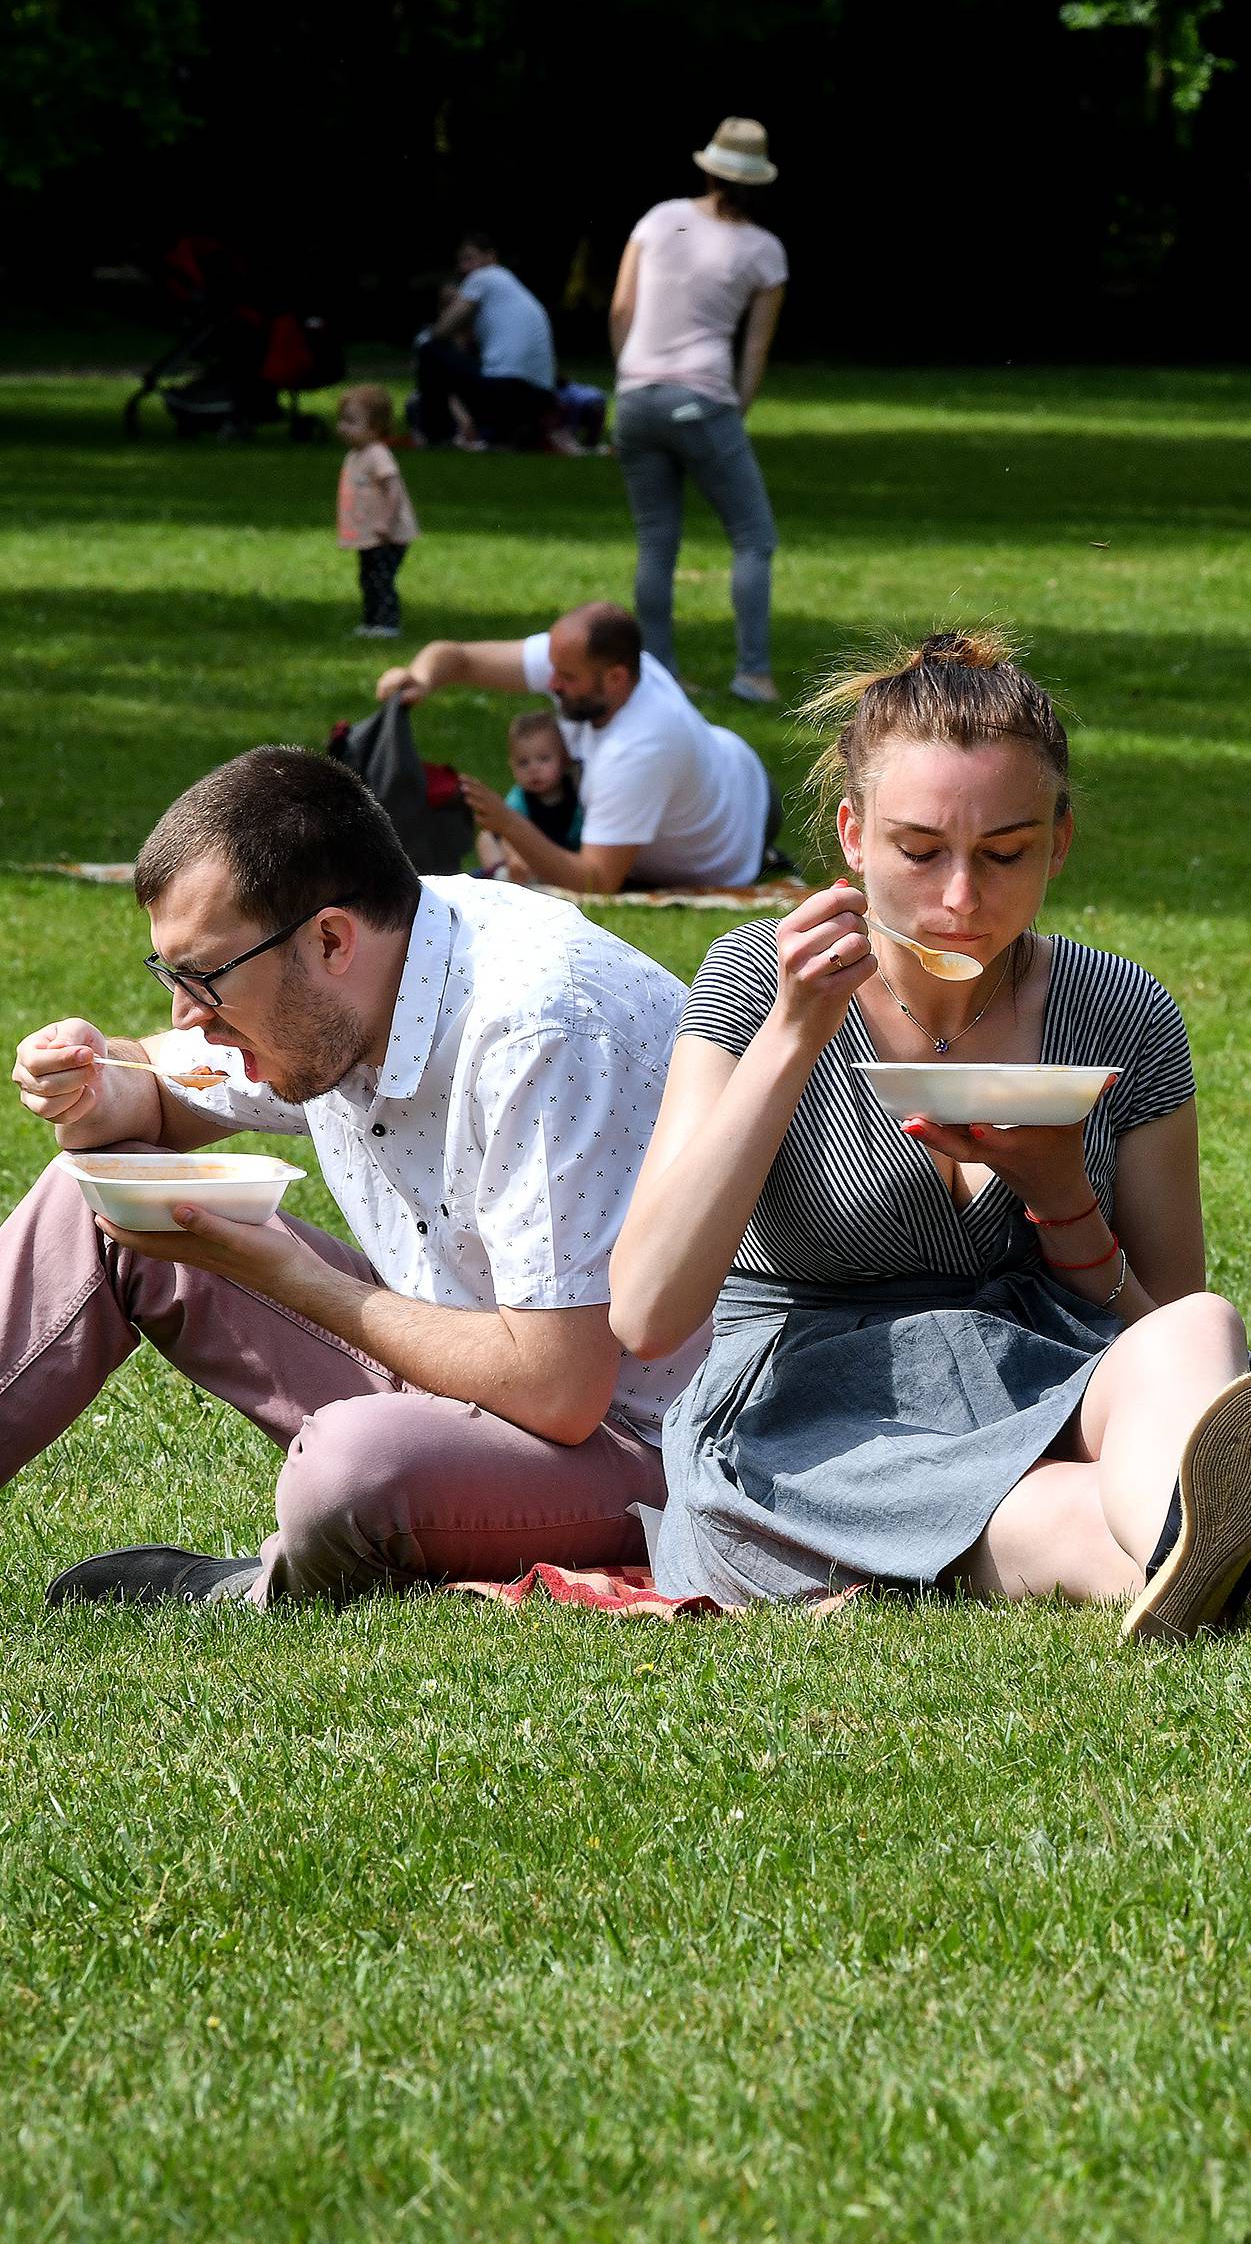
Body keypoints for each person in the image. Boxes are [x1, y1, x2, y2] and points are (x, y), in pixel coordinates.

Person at [612, 629, 1251, 1630]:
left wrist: (1062, 1198)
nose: (961, 898)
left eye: (1004, 854)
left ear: (1059, 841)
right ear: (853, 836)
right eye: (920, 851)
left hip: (1048, 1381)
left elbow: (1170, 1350)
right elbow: (649, 1312)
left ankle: (1217, 1548)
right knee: (1057, 1518)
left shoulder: (1121, 1011)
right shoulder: (759, 979)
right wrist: (795, 1034)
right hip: (817, 1431)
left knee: (1202, 1328)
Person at [2, 747, 707, 1605]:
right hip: (466, 1375)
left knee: (354, 1466)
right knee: (95, 1192)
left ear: (331, 937)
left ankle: (243, 1591)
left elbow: (559, 1388)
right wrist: (88, 1075)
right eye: (170, 973)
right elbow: (155, 1089)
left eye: (205, 977)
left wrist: (294, 1279)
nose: (186, 1011)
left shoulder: (537, 1025)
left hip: (643, 1445)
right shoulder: (364, 976)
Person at [378, 601, 782, 895]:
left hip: (742, 836)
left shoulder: (639, 747)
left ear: (617, 679)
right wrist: (420, 678)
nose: (551, 684)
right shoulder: (586, 662)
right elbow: (459, 658)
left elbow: (596, 881)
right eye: (553, 670)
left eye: (567, 678)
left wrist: (508, 824)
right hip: (732, 770)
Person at [608, 117, 788, 706]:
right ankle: (753, 673)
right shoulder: (763, 251)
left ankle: (657, 676)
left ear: (708, 167)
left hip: (635, 396)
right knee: (752, 536)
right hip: (703, 397)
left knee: (656, 541)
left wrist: (630, 376)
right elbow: (755, 347)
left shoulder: (659, 218)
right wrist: (737, 408)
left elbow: (620, 310)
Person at [416, 233, 557, 449]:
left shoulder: (484, 277)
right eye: (461, 260)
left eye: (469, 258)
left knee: (428, 348)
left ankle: (437, 434)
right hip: (539, 396)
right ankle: (505, 431)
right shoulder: (510, 288)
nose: (464, 267)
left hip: (508, 390)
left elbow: (442, 331)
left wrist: (441, 317)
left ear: (491, 257)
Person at [334, 383, 422, 640]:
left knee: (381, 579)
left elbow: (393, 489)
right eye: (342, 420)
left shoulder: (377, 454)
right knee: (367, 578)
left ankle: (387, 623)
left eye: (351, 421)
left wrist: (386, 521)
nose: (342, 427)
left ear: (375, 427)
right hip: (370, 533)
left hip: (387, 533)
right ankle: (371, 621)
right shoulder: (355, 454)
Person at [474, 709, 583, 881]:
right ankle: (498, 873)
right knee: (486, 839)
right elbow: (509, 834)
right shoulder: (519, 799)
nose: (533, 769)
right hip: (526, 862)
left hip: (564, 858)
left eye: (544, 759)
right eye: (523, 762)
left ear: (564, 760)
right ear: (512, 766)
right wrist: (514, 859)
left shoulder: (576, 794)